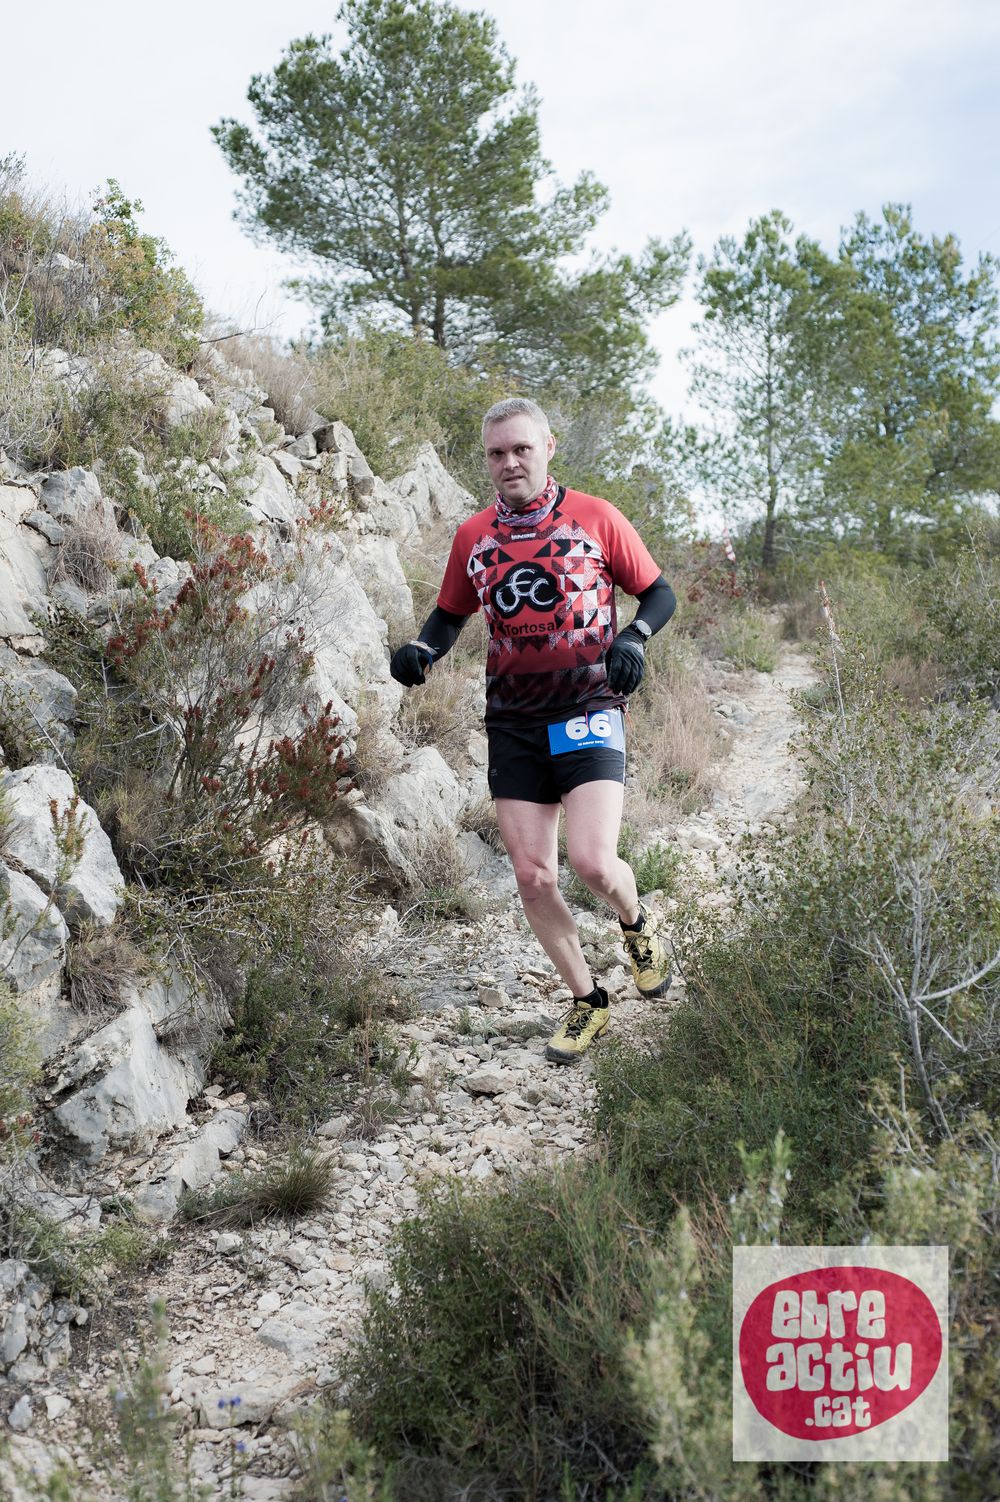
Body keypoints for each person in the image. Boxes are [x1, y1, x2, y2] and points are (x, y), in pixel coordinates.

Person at [390, 397, 676, 1063]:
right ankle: (587, 1000)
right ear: (487, 460)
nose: (510, 462)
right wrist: (423, 650)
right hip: (514, 722)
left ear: (548, 447)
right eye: (497, 453)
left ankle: (636, 926)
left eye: (521, 448)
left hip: (588, 710)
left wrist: (634, 636)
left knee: (593, 863)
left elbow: (659, 593)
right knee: (532, 876)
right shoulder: (474, 535)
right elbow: (449, 616)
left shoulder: (596, 517)